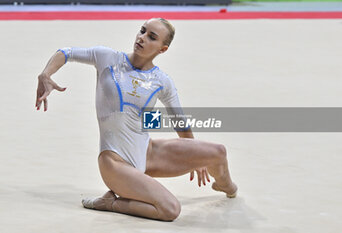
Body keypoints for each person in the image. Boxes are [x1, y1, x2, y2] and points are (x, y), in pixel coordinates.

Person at [35, 18, 237, 221]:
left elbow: (180, 121)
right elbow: (65, 53)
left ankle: (225, 185)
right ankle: (110, 203)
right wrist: (46, 74)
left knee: (218, 152)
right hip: (114, 162)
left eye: (151, 37)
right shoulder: (108, 58)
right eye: (142, 31)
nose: (142, 38)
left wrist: (195, 155)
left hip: (147, 153)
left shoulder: (162, 81)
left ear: (163, 49)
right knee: (170, 209)